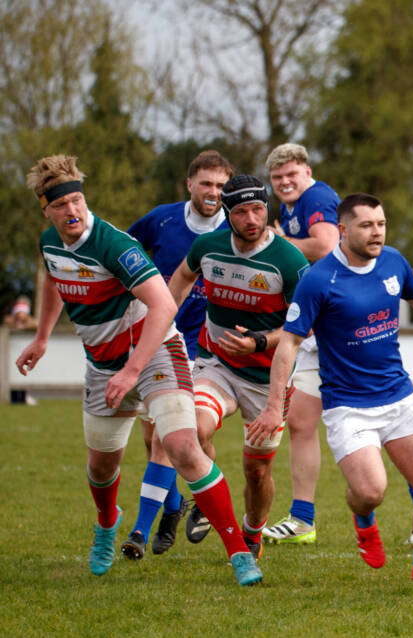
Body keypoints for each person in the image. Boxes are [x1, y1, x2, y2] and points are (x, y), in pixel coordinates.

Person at [15, 154, 260, 585]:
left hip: (156, 353)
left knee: (183, 447)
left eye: (77, 201)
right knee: (101, 469)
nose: (71, 211)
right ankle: (108, 524)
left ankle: (240, 554)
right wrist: (41, 337)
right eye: (60, 205)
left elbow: (164, 304)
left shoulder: (115, 245)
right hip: (102, 366)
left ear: (84, 200)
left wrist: (132, 370)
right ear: (46, 210)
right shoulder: (50, 243)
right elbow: (56, 278)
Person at [251, 192, 413, 584]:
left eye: (382, 224)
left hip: (400, 396)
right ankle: (363, 517)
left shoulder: (392, 261)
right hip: (349, 406)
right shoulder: (319, 279)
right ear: (342, 229)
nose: (377, 233)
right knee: (371, 491)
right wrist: (273, 407)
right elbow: (288, 343)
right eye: (367, 225)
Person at [164, 174, 309, 559]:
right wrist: (160, 323)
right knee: (193, 429)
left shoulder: (289, 261)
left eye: (258, 209)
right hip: (217, 365)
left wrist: (259, 341)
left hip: (268, 378)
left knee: (257, 472)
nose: (251, 218)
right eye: (241, 210)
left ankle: (253, 530)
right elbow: (181, 278)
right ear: (227, 214)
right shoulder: (207, 247)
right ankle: (210, 493)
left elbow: (302, 328)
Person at [121, 150, 231, 558]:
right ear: (190, 184)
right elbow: (123, 254)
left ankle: (139, 532)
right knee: (151, 437)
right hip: (159, 338)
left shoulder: (234, 229)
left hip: (202, 349)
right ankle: (173, 506)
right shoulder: (162, 219)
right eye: (206, 184)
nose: (213, 193)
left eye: (221, 186)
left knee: (171, 440)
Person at [260, 142, 340, 545]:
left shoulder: (318, 196)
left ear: (307, 171)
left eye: (291, 174)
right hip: (313, 323)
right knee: (302, 423)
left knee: (379, 419)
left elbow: (325, 245)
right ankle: (303, 519)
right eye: (277, 178)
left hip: (342, 327)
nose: (285, 182)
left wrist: (276, 243)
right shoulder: (289, 208)